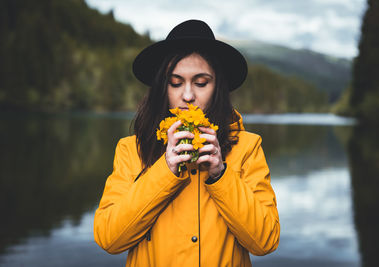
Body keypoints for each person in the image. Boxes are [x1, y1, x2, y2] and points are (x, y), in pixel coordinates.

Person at [93, 19, 280, 266]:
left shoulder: (247, 148)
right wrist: (165, 170)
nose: (188, 96)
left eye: (201, 83)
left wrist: (220, 174)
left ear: (218, 87)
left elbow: (265, 241)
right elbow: (109, 238)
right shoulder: (131, 150)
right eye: (176, 83)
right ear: (162, 88)